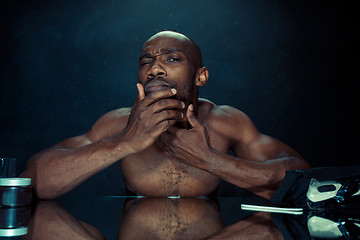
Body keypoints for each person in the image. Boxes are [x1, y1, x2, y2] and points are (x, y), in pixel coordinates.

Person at [20, 30, 310, 199]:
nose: (155, 69)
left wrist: (211, 160)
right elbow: (32, 180)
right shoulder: (119, 122)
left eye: (172, 59)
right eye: (146, 61)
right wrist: (124, 142)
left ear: (201, 76)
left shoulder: (224, 120)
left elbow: (301, 178)